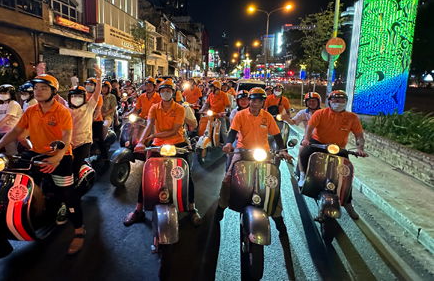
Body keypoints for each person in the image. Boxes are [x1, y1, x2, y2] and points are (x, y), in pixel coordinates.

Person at [0, 74, 85, 254]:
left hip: (60, 155)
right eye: (36, 88)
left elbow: (66, 138)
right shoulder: (31, 110)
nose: (38, 91)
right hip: (36, 152)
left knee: (68, 194)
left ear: (53, 91)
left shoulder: (62, 111)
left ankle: (79, 231)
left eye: (44, 88)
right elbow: (15, 132)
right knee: (14, 180)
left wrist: (56, 159)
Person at [124, 79, 202, 227]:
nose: (166, 93)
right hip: (157, 145)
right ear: (159, 93)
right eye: (163, 91)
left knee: (186, 175)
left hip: (177, 144)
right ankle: (138, 209)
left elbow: (174, 130)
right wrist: (141, 141)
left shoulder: (180, 108)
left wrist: (154, 136)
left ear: (173, 93)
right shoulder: (154, 108)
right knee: (146, 174)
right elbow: (149, 125)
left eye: (168, 91)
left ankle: (191, 207)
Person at [217, 88, 292, 241]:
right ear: (249, 100)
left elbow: (277, 135)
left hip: (263, 153)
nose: (256, 103)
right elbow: (232, 132)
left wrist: (283, 150)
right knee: (228, 178)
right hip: (242, 151)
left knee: (273, 182)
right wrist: (228, 144)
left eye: (260, 100)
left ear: (263, 102)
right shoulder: (240, 115)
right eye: (254, 100)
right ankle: (221, 206)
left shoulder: (267, 117)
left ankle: (278, 217)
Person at [299, 90, 368, 219]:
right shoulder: (321, 113)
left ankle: (348, 204)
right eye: (336, 100)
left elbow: (359, 135)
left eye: (342, 100)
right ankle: (303, 176)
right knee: (304, 153)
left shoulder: (352, 117)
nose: (339, 103)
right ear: (329, 101)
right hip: (319, 143)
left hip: (338, 148)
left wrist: (360, 147)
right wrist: (307, 139)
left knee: (346, 175)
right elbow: (310, 127)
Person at [68, 65, 102, 179]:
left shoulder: (89, 107)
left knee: (75, 168)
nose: (76, 98)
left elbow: (97, 93)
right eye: (73, 96)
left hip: (83, 143)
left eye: (78, 96)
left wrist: (99, 78)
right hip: (68, 143)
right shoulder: (66, 109)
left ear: (84, 98)